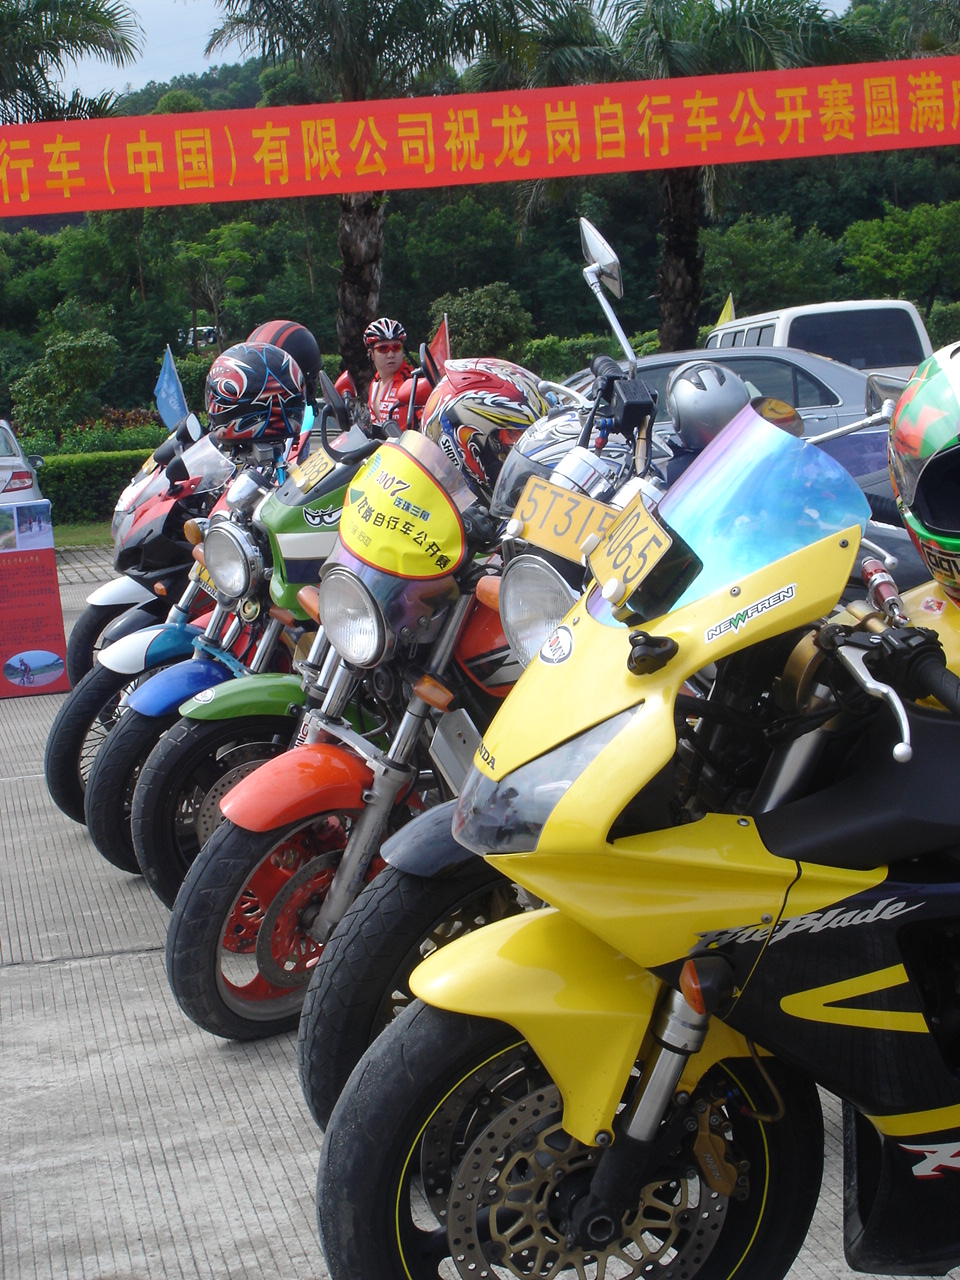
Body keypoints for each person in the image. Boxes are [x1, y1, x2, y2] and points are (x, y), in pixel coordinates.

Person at [364, 318, 412, 428]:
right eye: (383, 349)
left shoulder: (413, 381)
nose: (390, 355)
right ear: (371, 354)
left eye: (396, 348)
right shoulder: (374, 384)